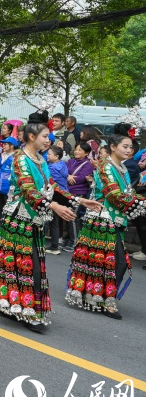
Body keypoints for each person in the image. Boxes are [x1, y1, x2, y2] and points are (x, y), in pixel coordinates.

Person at [0, 110, 102, 331]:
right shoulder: (20, 159)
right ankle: (16, 305)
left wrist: (79, 200)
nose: (48, 140)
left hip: (34, 220)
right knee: (22, 265)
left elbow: (53, 186)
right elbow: (29, 190)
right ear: (32, 137)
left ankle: (18, 305)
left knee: (30, 265)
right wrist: (54, 206)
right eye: (45, 136)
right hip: (18, 220)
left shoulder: (40, 160)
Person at [66, 123, 146, 319]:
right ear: (113, 147)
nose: (129, 150)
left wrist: (138, 199)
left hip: (115, 219)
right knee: (113, 261)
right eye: (125, 147)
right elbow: (114, 195)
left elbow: (128, 193)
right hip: (103, 218)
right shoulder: (105, 167)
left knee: (108, 261)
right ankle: (105, 300)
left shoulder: (122, 168)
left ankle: (99, 297)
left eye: (130, 147)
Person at [62, 142, 95, 253]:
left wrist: (70, 176)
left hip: (79, 193)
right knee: (67, 216)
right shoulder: (70, 161)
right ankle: (68, 239)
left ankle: (75, 242)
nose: (77, 151)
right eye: (76, 149)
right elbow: (63, 172)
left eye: (80, 150)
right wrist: (68, 176)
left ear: (86, 153)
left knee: (72, 217)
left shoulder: (88, 164)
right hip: (68, 192)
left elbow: (81, 178)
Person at [0, 137, 18, 236]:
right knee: (1, 207)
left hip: (9, 188)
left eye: (6, 144)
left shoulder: (15, 157)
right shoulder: (2, 155)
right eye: (3, 144)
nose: (4, 146)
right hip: (0, 186)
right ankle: (1, 226)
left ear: (12, 146)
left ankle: (7, 227)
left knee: (9, 209)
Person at [45, 146, 68, 254]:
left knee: (46, 220)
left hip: (54, 195)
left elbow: (47, 181)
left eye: (49, 154)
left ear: (56, 156)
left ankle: (43, 243)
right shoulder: (62, 165)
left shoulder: (52, 168)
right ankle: (54, 245)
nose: (47, 156)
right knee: (54, 221)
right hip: (63, 194)